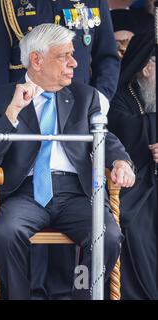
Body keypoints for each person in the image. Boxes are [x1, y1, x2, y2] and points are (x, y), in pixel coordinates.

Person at [0, 23, 135, 299]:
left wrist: (121, 161)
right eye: (64, 56)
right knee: (5, 233)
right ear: (36, 60)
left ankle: (79, 295)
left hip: (76, 193)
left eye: (72, 54)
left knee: (108, 237)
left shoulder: (84, 97)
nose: (75, 63)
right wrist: (13, 112)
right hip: (25, 194)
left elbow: (104, 137)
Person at [0, 0, 119, 101]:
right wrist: (4, 109)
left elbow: (107, 57)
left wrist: (100, 99)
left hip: (79, 104)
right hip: (26, 104)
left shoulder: (94, 2)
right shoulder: (7, 3)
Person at [108, 31, 158, 299]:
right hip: (137, 186)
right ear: (148, 68)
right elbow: (122, 128)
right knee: (136, 223)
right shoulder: (121, 98)